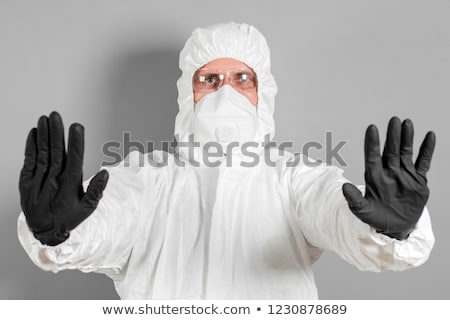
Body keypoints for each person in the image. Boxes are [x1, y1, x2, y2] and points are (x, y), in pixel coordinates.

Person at [17, 22, 436, 299]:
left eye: (242, 79)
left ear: (263, 92)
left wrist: (385, 229)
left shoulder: (294, 178)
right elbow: (108, 218)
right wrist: (63, 231)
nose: (226, 93)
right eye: (210, 79)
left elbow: (333, 211)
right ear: (188, 93)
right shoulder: (145, 179)